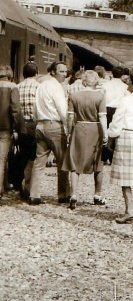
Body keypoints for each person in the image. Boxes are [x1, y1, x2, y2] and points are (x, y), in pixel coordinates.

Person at [62, 70, 108, 210]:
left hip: (79, 128)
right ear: (96, 81)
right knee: (98, 163)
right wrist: (105, 134)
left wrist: (69, 132)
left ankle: (74, 194)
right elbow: (102, 117)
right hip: (96, 130)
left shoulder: (74, 96)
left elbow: (70, 117)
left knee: (75, 162)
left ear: (83, 81)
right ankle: (97, 195)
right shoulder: (100, 97)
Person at [27, 61, 70, 205]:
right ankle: (63, 194)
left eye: (65, 71)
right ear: (53, 72)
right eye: (61, 71)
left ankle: (34, 194)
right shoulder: (56, 87)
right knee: (62, 161)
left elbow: (35, 107)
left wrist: (36, 123)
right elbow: (63, 111)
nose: (65, 74)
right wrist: (68, 128)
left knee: (39, 162)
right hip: (54, 125)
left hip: (40, 125)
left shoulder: (41, 86)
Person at [0, 65, 22, 207]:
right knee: (1, 160)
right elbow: (15, 109)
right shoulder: (13, 87)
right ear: (10, 74)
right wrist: (17, 128)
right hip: (5, 128)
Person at [108, 70, 133, 224]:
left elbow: (117, 122)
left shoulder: (126, 100)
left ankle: (130, 210)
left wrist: (111, 137)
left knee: (126, 176)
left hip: (127, 136)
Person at [17, 62, 40, 199]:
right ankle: (28, 186)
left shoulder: (17, 87)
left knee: (23, 155)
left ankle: (21, 184)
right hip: (34, 124)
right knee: (33, 157)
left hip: (21, 125)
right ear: (36, 73)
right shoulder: (39, 87)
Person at [102, 67, 128, 163]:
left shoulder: (105, 85)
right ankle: (113, 156)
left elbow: (102, 96)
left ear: (112, 73)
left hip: (106, 108)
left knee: (106, 132)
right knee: (116, 133)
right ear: (122, 75)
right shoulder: (124, 87)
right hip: (118, 109)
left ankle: (104, 156)